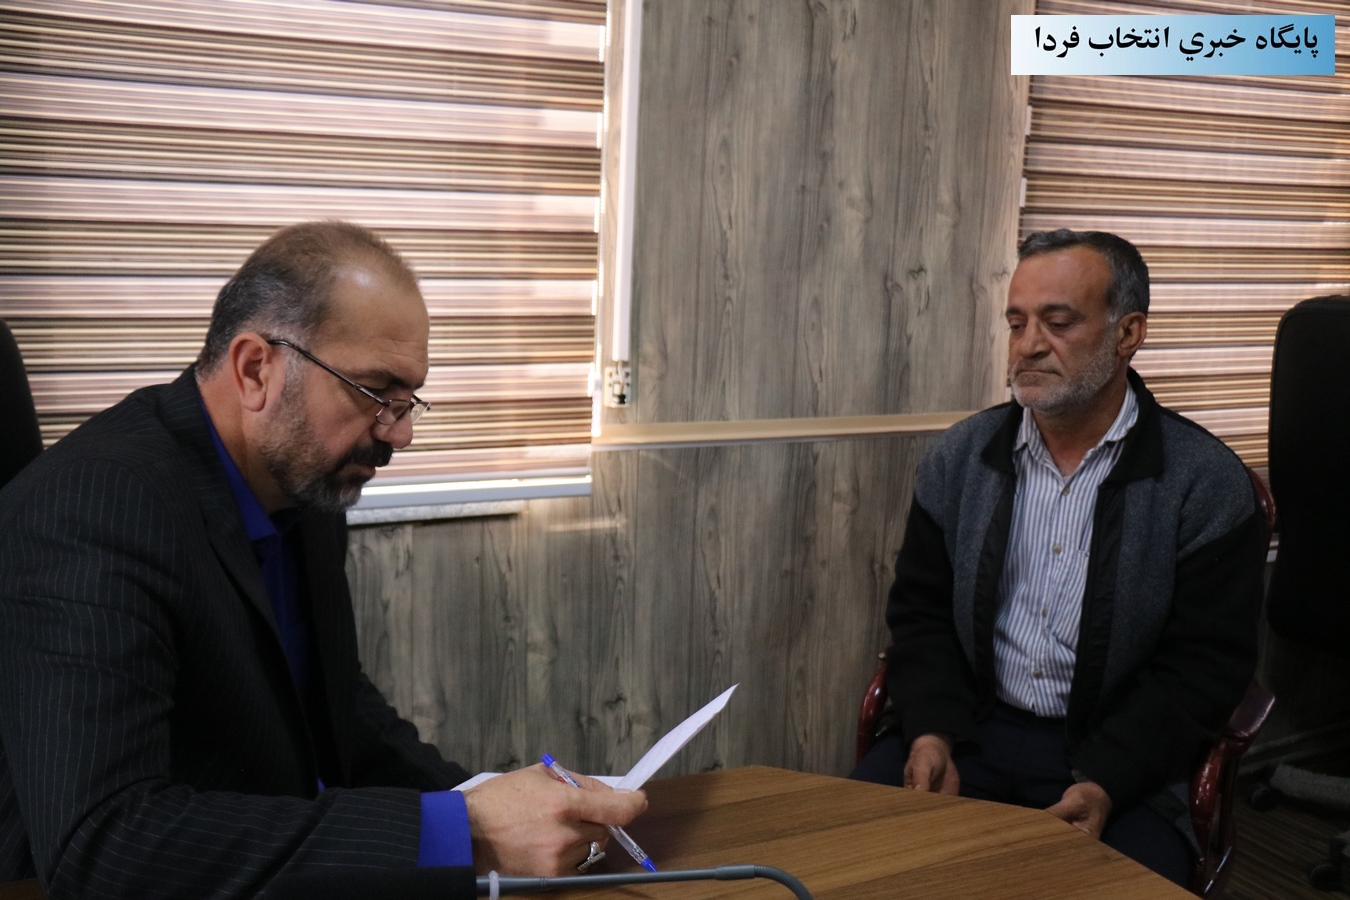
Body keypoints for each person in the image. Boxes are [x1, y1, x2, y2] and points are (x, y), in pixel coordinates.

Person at [0, 221, 646, 897]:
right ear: (256, 369)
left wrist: (494, 802)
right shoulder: (90, 508)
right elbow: (106, 844)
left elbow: (339, 712)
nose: (400, 434)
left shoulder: (303, 482)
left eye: (408, 401)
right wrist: (465, 830)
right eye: (374, 392)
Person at [851, 229, 1266, 885]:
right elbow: (921, 613)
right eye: (1017, 323)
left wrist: (1107, 781)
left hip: (1121, 758)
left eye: (1059, 321)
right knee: (847, 860)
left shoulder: (1204, 483)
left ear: (1128, 333)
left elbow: (1203, 667)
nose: (1029, 345)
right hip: (970, 731)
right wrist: (931, 731)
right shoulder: (961, 458)